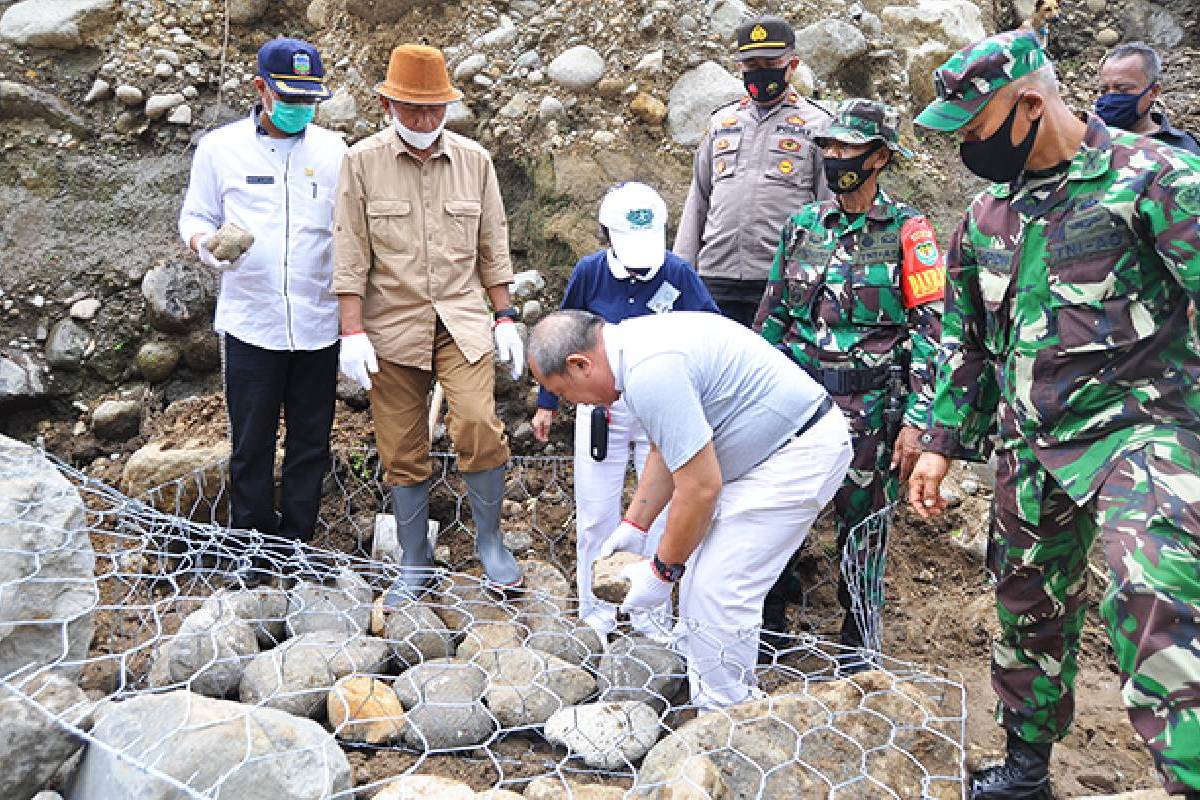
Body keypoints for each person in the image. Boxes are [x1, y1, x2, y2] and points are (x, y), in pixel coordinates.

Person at [910, 29, 1200, 799]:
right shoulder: (984, 216)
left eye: (975, 131)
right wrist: (941, 444)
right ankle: (1028, 769)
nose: (968, 148)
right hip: (1030, 445)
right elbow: (966, 338)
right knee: (1026, 608)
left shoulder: (1156, 180)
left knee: (1155, 594)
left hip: (1142, 432)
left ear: (1029, 105)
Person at [528, 309, 852, 709]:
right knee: (700, 581)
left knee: (721, 590)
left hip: (794, 453)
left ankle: (730, 717)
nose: (570, 403)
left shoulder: (650, 370)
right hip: (767, 453)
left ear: (580, 364)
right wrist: (636, 524)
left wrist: (663, 572)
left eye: (563, 393)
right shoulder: (636, 351)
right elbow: (672, 447)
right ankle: (705, 687)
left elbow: (700, 488)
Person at [753, 99, 944, 666]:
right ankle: (770, 623)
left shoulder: (910, 232)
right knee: (782, 509)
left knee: (862, 525)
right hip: (798, 406)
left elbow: (932, 333)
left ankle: (859, 639)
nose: (835, 159)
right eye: (829, 149)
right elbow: (773, 319)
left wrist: (918, 421)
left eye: (848, 150)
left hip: (871, 411)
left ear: (880, 157)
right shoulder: (803, 226)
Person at [332, 44, 525, 602]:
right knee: (400, 444)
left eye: (433, 110)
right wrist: (352, 331)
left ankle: (491, 543)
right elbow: (350, 251)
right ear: (387, 104)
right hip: (390, 323)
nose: (423, 121)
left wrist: (506, 315)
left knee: (477, 425)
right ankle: (415, 560)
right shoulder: (361, 162)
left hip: (463, 320)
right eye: (412, 110)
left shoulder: (475, 161)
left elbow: (493, 243)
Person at [178, 38, 346, 585]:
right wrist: (209, 242)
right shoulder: (220, 149)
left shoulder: (335, 152)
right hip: (252, 322)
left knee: (311, 441)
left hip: (318, 324)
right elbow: (194, 217)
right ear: (260, 89)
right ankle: (252, 547)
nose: (301, 108)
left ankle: (297, 545)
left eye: (310, 99)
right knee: (251, 441)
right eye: (290, 96)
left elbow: (352, 232)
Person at [530, 182, 718, 640]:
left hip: (663, 408)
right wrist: (547, 404)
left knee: (656, 511)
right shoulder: (590, 272)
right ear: (606, 235)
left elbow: (711, 331)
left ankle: (650, 615)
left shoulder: (677, 272)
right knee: (596, 513)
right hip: (600, 409)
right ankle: (596, 614)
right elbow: (560, 340)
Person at [674, 14, 834, 327]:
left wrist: (823, 278)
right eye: (751, 66)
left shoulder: (820, 126)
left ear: (792, 65)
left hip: (781, 280)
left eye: (769, 64)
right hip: (715, 278)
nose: (760, 73)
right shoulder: (722, 123)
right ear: (740, 67)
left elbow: (829, 208)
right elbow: (698, 199)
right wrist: (682, 270)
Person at [1096, 42, 1200, 156]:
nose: (1111, 97)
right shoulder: (1086, 142)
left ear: (1154, 91)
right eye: (1104, 90)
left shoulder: (1184, 148)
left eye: (1123, 89)